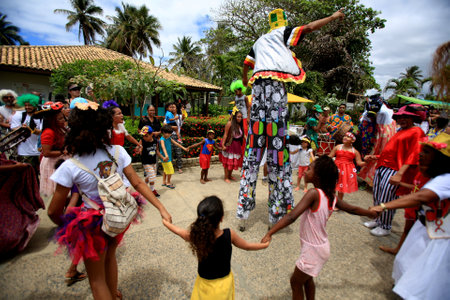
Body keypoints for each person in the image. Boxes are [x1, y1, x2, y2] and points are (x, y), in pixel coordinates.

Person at [47, 100, 172, 300]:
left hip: (91, 225)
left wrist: (70, 229)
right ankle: (113, 293)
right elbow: (138, 184)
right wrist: (162, 209)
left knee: (96, 281)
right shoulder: (118, 152)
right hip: (116, 218)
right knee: (110, 257)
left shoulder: (69, 166)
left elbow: (53, 211)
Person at [238, 8, 345, 230]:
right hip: (275, 89)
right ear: (283, 23)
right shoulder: (282, 33)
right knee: (278, 153)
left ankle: (243, 213)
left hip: (258, 91)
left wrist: (246, 82)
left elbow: (246, 64)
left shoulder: (260, 41)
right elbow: (309, 27)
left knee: (253, 153)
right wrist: (333, 17)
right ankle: (275, 215)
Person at [261, 156, 376, 300]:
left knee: (295, 283)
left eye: (309, 169)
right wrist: (369, 213)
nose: (305, 171)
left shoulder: (314, 194)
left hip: (313, 250)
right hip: (319, 247)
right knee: (307, 280)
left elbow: (291, 217)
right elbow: (352, 209)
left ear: (317, 176)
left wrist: (270, 232)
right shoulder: (331, 196)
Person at [369, 133, 450, 300]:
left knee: (427, 274)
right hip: (425, 228)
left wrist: (383, 206)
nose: (420, 154)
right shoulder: (435, 177)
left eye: (427, 152)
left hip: (440, 236)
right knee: (404, 261)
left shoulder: (446, 179)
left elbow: (421, 196)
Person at [162, 196, 269, 300]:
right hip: (223, 285)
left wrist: (166, 223)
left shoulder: (196, 236)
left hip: (204, 284)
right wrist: (264, 245)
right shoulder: (229, 234)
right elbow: (247, 246)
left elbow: (179, 232)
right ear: (221, 218)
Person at [363, 104, 426, 236]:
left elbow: (414, 154)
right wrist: (375, 157)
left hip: (395, 169)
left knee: (387, 196)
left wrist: (400, 174)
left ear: (413, 118)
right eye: (400, 117)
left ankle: (385, 225)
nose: (402, 119)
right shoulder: (400, 131)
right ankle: (377, 219)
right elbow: (391, 151)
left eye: (406, 117)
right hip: (383, 166)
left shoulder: (417, 131)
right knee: (378, 194)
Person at [358, 96, 397, 186]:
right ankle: (367, 179)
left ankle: (373, 180)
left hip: (383, 135)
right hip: (377, 134)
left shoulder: (383, 111)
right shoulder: (377, 111)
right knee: (371, 155)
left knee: (377, 156)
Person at [38, 101, 68, 198]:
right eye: (60, 119)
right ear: (52, 120)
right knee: (58, 193)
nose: (63, 120)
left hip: (61, 162)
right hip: (53, 164)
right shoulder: (49, 132)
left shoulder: (61, 129)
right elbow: (46, 153)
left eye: (63, 117)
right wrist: (63, 152)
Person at [328, 132, 366, 204]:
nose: (345, 137)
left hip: (346, 171)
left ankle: (338, 204)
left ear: (353, 140)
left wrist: (367, 162)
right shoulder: (338, 147)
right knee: (332, 185)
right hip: (335, 168)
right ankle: (331, 201)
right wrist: (321, 159)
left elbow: (359, 163)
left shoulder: (355, 151)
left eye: (348, 137)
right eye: (344, 136)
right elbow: (330, 156)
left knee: (341, 188)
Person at [10, 94, 42, 178]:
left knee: (36, 176)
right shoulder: (19, 116)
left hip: (39, 151)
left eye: (30, 105)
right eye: (26, 105)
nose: (27, 107)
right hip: (24, 151)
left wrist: (31, 129)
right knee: (25, 175)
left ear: (35, 105)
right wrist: (21, 129)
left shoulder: (41, 117)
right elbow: (14, 130)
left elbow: (43, 132)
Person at [159, 124, 188, 189]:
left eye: (170, 133)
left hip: (168, 157)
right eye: (168, 133)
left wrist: (184, 148)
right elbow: (163, 148)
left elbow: (176, 143)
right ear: (163, 132)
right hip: (165, 158)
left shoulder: (169, 138)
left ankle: (164, 182)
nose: (170, 134)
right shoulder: (162, 139)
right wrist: (166, 155)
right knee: (171, 170)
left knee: (166, 170)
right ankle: (168, 182)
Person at [220, 111, 244, 183]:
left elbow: (243, 136)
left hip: (236, 145)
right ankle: (226, 177)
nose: (240, 118)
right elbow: (225, 135)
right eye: (238, 117)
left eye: (241, 117)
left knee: (233, 162)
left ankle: (230, 175)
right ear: (235, 117)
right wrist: (223, 145)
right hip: (230, 144)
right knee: (227, 162)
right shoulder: (230, 124)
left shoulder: (240, 125)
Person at [139, 125, 160, 197]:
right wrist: (138, 150)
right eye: (143, 135)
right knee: (152, 176)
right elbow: (139, 147)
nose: (144, 137)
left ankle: (143, 187)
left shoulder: (155, 141)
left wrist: (162, 157)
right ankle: (152, 190)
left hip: (153, 161)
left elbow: (157, 150)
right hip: (146, 162)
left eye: (146, 135)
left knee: (149, 175)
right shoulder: (142, 141)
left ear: (151, 134)